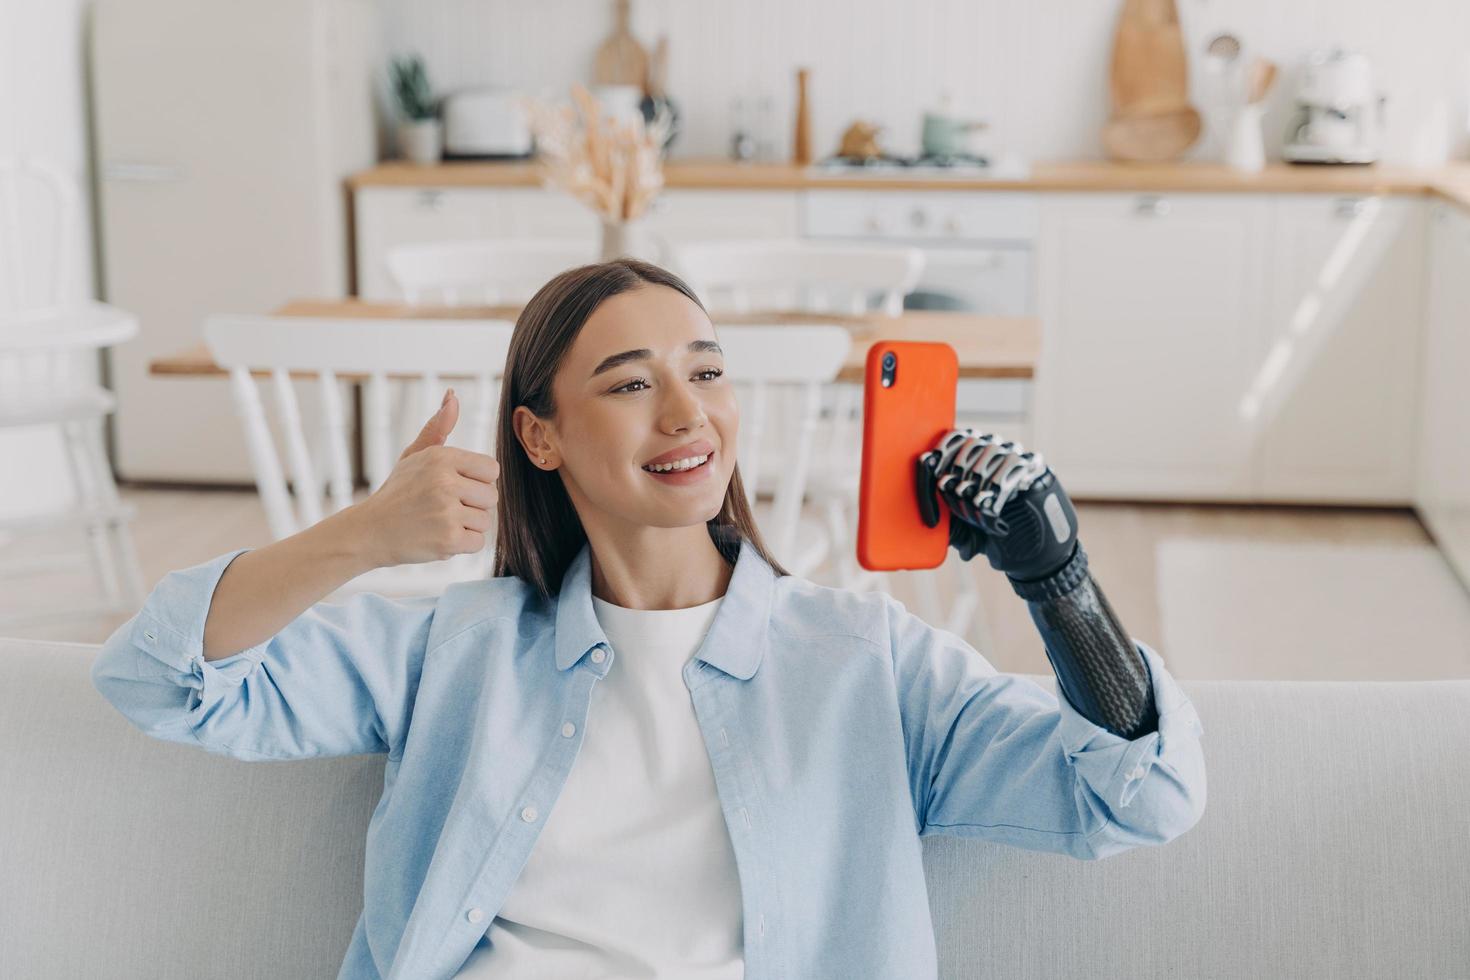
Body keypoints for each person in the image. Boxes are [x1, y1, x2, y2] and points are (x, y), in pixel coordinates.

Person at [92, 259, 1206, 980]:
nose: (687, 414)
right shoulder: (457, 648)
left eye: (707, 371)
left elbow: (1138, 792)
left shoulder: (863, 663)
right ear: (540, 436)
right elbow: (158, 675)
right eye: (629, 384)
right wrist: (363, 537)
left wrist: (1061, 584)